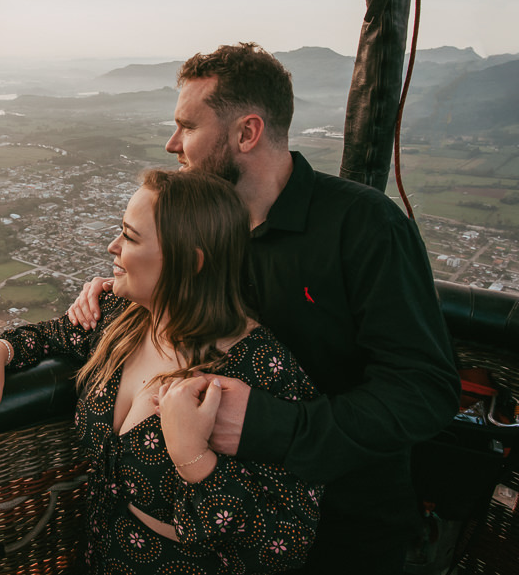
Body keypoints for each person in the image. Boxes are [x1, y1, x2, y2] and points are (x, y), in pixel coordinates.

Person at [66, 43, 460, 574]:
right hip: (212, 530)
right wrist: (120, 292)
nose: (171, 143)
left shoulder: (363, 227)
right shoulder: (201, 235)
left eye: (187, 127)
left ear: (247, 133)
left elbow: (423, 390)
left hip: (342, 534)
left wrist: (274, 427)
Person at [0, 169, 323, 574]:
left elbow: (282, 547)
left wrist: (193, 458)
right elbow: (50, 336)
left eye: (130, 237)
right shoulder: (122, 318)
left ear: (189, 262)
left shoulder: (261, 370)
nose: (112, 246)